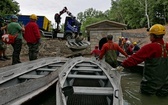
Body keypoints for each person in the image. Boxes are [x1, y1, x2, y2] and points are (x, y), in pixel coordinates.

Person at [121, 24, 168, 97]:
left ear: (152, 35)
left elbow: (135, 59)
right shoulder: (167, 46)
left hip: (150, 85)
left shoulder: (150, 47)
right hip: (165, 85)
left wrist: (123, 64)